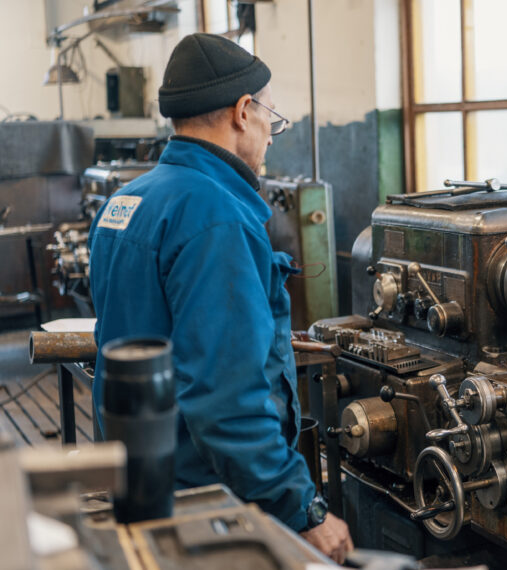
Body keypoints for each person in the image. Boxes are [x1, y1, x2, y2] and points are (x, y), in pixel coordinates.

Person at [88, 33, 353, 563]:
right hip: (205, 493)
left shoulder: (126, 201)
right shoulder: (217, 217)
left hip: (140, 473)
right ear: (242, 111)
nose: (271, 136)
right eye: (270, 119)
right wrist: (300, 507)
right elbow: (227, 398)